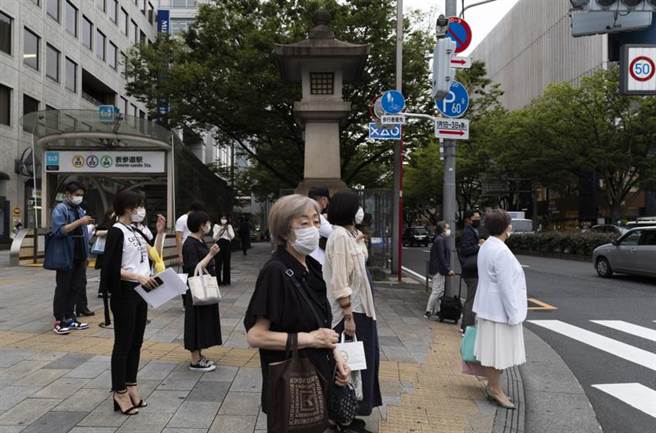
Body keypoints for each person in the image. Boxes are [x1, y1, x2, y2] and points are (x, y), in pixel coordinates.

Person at [244, 194, 350, 428]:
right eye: (303, 223)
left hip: (317, 376)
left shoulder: (312, 267)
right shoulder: (276, 271)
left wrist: (337, 355)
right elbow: (256, 336)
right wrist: (310, 339)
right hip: (290, 384)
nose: (312, 228)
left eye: (315, 221)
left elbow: (320, 325)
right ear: (284, 232)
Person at [100, 189, 166, 416]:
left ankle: (131, 385)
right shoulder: (117, 231)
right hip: (126, 292)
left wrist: (159, 233)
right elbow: (109, 269)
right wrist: (137, 277)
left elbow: (153, 256)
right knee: (123, 343)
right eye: (138, 205)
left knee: (136, 342)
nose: (141, 210)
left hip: (141, 291)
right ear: (127, 208)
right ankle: (119, 391)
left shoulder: (136, 231)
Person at [324, 191, 382, 429]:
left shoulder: (350, 235)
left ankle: (349, 411)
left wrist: (359, 240)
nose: (361, 210)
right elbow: (339, 280)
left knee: (361, 362)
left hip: (362, 309)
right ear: (349, 209)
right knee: (348, 363)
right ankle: (339, 414)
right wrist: (347, 315)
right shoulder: (339, 237)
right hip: (350, 312)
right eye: (357, 206)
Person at [473, 209, 527, 409]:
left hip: (488, 307)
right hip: (499, 311)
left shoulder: (487, 246)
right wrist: (515, 315)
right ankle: (495, 389)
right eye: (509, 223)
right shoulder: (501, 251)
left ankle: (493, 386)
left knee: (492, 351)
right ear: (506, 227)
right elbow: (506, 287)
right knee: (499, 353)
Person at [50, 181, 93, 335]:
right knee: (63, 287)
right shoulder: (60, 209)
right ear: (68, 194)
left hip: (80, 254)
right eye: (77, 195)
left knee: (76, 287)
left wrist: (87, 255)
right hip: (66, 255)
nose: (79, 197)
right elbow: (59, 231)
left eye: (81, 195)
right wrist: (80, 222)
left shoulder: (80, 210)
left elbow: (85, 234)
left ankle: (70, 317)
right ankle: (59, 320)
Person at [183, 210, 222, 372]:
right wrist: (211, 254)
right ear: (201, 225)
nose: (209, 225)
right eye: (207, 223)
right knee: (195, 321)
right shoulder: (189, 243)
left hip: (203, 289)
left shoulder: (199, 241)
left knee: (203, 320)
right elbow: (193, 268)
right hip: (195, 290)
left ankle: (199, 355)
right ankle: (194, 360)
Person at [425, 221, 455, 319]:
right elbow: (442, 256)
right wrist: (448, 269)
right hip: (438, 269)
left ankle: (438, 310)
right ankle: (428, 310)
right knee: (437, 290)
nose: (448, 230)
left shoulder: (439, 239)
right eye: (447, 228)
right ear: (442, 229)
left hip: (438, 268)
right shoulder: (440, 240)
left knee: (440, 291)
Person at [459, 209, 483, 333]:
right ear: (468, 219)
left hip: (471, 270)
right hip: (472, 271)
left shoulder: (472, 231)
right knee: (471, 300)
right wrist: (478, 246)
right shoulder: (468, 232)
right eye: (475, 218)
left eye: (479, 218)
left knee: (471, 299)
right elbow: (465, 250)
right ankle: (466, 327)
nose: (477, 220)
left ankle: (465, 324)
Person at [175, 201, 205, 265]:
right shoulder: (181, 219)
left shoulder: (196, 219)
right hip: (187, 249)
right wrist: (180, 256)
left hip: (196, 247)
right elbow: (178, 238)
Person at [308, 186, 332, 265]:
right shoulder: (318, 216)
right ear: (324, 199)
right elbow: (333, 233)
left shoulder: (304, 211)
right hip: (314, 260)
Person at [212, 216, 235, 285]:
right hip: (219, 243)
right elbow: (215, 237)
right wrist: (220, 230)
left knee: (227, 262)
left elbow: (232, 236)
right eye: (222, 218)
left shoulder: (229, 226)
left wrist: (227, 230)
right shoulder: (216, 226)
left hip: (227, 244)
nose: (224, 220)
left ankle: (226, 280)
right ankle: (218, 281)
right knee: (218, 262)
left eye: (225, 218)